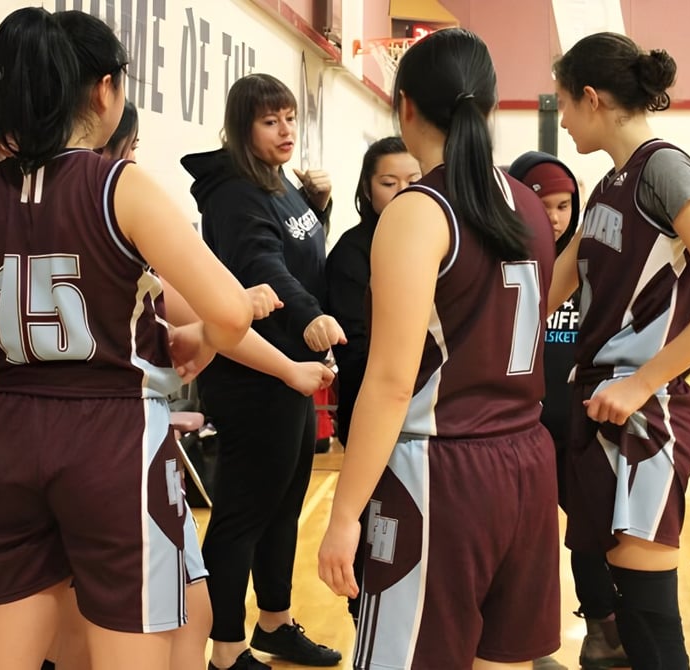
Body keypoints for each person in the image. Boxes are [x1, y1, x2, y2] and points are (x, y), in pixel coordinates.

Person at [0, 7, 257, 668]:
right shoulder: (119, 186)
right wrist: (208, 343)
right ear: (104, 91)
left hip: (9, 433)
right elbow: (232, 310)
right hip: (113, 440)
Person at [318, 28, 560, 668]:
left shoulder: (419, 210)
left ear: (404, 108)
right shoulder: (531, 205)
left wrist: (345, 517)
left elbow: (392, 381)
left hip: (441, 470)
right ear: (489, 104)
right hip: (528, 461)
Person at [549, 32, 690, 668]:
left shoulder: (664, 168)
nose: (559, 117)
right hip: (600, 406)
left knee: (649, 612)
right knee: (625, 614)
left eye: (562, 102)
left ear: (590, 98)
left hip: (646, 413)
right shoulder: (611, 180)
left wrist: (643, 383)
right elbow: (551, 283)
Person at [180, 72, 344, 670]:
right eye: (270, 121)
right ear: (242, 127)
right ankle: (226, 649)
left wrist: (319, 205)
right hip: (253, 376)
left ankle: (274, 622)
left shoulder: (279, 184)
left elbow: (295, 247)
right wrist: (309, 318)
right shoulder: (235, 194)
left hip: (292, 375)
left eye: (291, 118)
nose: (285, 131)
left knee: (284, 504)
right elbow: (262, 263)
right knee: (243, 513)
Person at [509, 153, 627, 670]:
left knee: (589, 532)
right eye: (541, 203)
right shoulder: (504, 256)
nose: (554, 217)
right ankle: (520, 647)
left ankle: (603, 633)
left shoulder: (592, 262)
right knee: (523, 543)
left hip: (581, 425)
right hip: (519, 428)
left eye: (564, 206)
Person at [324, 135, 421, 625]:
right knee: (371, 536)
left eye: (413, 181)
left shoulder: (435, 238)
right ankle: (367, 621)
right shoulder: (351, 252)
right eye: (389, 182)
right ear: (367, 188)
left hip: (428, 419)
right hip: (374, 413)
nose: (402, 192)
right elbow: (358, 349)